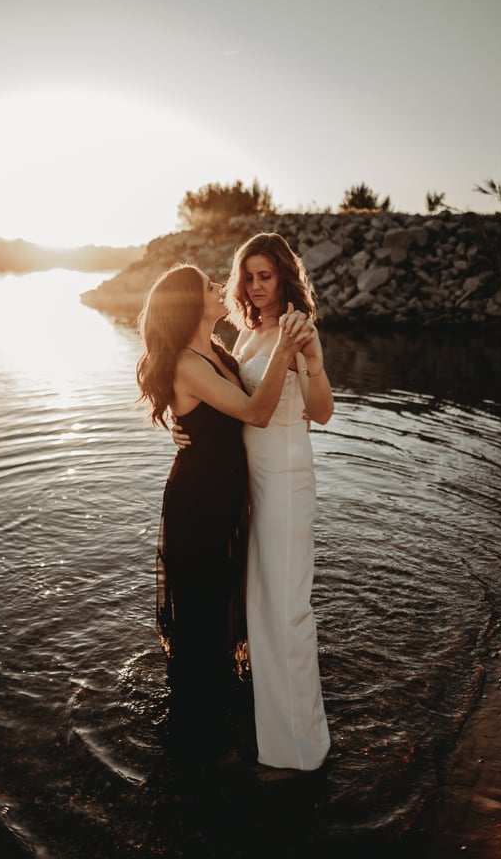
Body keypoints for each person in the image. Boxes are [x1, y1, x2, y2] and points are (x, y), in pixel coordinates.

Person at [172, 232, 333, 773]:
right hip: (249, 484)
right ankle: (268, 733)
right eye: (249, 276)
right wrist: (183, 422)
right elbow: (221, 398)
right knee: (258, 605)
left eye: (267, 276)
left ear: (284, 277)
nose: (256, 286)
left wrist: (306, 356)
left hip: (285, 477)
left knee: (287, 610)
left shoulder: (297, 329)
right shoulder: (244, 335)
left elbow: (323, 411)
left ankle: (301, 751)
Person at [136, 262, 309, 764]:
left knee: (222, 603)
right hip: (199, 505)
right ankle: (197, 738)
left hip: (224, 498)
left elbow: (232, 410)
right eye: (210, 288)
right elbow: (254, 412)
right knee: (204, 610)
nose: (222, 290)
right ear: (192, 306)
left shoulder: (212, 349)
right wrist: (283, 350)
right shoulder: (188, 364)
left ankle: (216, 715)